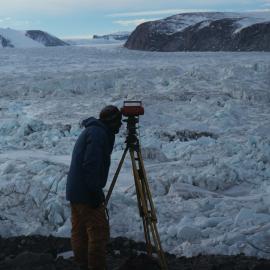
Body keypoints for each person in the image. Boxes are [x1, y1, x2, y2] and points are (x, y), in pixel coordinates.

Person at [66, 105, 122, 270]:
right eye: (118, 122)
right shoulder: (98, 134)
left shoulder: (94, 131)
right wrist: (95, 193)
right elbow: (90, 165)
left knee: (80, 231)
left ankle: (81, 264)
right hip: (85, 192)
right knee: (98, 231)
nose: (120, 126)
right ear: (111, 122)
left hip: (75, 190)